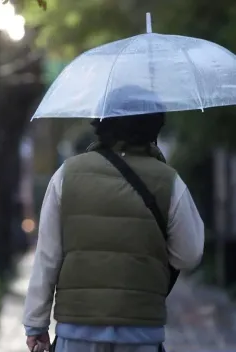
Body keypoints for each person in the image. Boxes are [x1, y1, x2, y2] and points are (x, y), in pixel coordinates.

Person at [23, 99, 205, 352]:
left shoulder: (67, 175)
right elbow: (189, 254)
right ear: (154, 126)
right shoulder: (169, 181)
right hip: (141, 331)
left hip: (78, 329)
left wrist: (36, 324)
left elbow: (47, 256)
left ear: (101, 123)